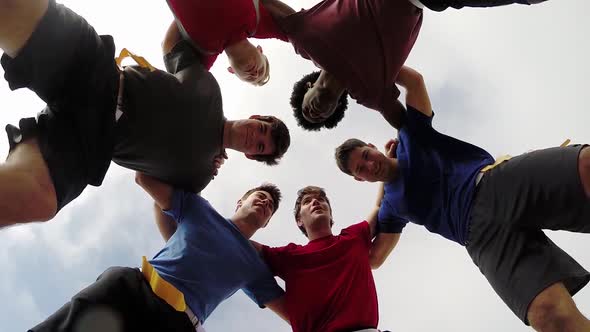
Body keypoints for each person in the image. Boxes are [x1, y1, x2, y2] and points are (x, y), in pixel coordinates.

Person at [334, 65, 590, 331]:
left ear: (373, 147)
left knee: (584, 165)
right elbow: (373, 259)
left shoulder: (411, 135)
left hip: (493, 183)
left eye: (366, 155)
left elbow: (414, 81)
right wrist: (379, 198)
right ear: (359, 179)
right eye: (360, 169)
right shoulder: (391, 208)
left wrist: (359, 66)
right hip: (481, 237)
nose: (369, 165)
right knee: (549, 316)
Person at [0, 0, 291, 227]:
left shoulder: (199, 175)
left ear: (252, 155)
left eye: (261, 146)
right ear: (256, 117)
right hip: (98, 73)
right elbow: (174, 42)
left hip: (90, 142)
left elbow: (151, 187)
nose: (256, 137)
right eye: (262, 129)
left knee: (36, 200)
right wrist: (231, 38)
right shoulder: (209, 88)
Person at [28, 175, 288, 331]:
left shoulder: (256, 265)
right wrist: (200, 164)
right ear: (240, 201)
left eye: (271, 207)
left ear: (266, 224)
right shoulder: (200, 209)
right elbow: (144, 177)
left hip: (178, 323)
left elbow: (296, 314)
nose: (266, 202)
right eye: (261, 196)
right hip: (133, 288)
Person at [260, 0, 546, 131]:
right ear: (336, 108)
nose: (315, 112)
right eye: (320, 117)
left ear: (308, 86)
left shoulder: (306, 39)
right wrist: (404, 157)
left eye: (306, 108)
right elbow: (411, 130)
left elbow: (263, 5)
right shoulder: (370, 92)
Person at [254, 184, 398, 332]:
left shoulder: (353, 237)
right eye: (307, 201)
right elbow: (241, 246)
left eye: (321, 199)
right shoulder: (290, 257)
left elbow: (380, 206)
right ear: (299, 220)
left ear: (330, 215)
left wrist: (389, 162)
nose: (315, 202)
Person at [166, 0, 289, 85]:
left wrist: (179, 20)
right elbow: (299, 27)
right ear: (260, 50)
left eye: (250, 78)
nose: (255, 74)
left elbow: (182, 85)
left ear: (232, 71)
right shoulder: (257, 18)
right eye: (262, 70)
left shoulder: (203, 52)